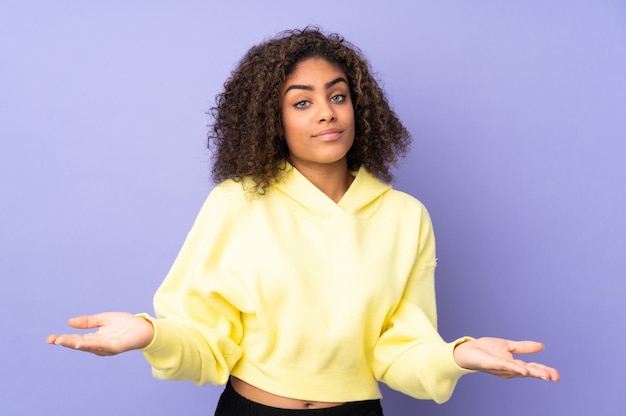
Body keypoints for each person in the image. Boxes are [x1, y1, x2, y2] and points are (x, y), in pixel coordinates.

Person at [47, 27, 559, 415]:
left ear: (360, 107)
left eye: (338, 96)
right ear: (273, 120)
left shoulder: (405, 217)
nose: (326, 113)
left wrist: (457, 357)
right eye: (302, 102)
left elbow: (401, 351)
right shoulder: (237, 203)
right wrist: (150, 333)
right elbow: (205, 341)